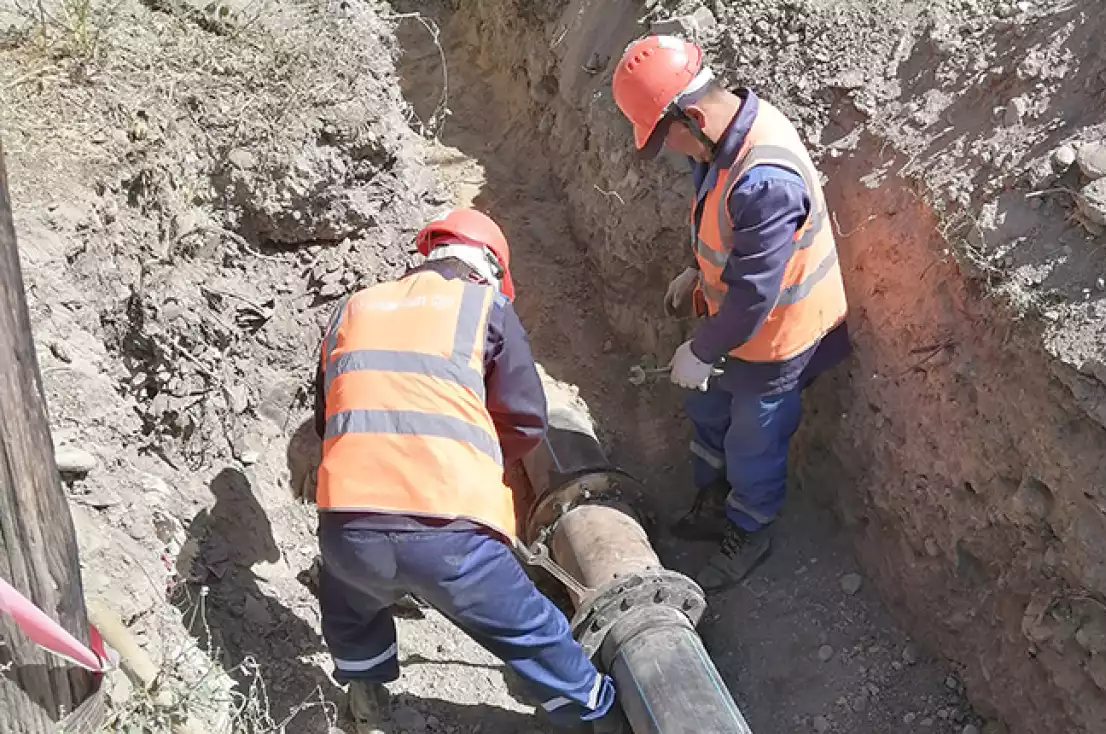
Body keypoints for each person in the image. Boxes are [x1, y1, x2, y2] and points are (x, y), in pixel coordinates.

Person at [312, 208, 623, 733]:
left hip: (347, 525)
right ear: (492, 270)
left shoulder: (352, 308)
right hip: (448, 533)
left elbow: (330, 416)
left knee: (352, 604)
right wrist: (471, 457)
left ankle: (366, 700)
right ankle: (600, 716)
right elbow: (525, 420)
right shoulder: (486, 308)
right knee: (531, 631)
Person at [611, 36, 851, 591]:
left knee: (754, 438)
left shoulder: (765, 180)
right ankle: (713, 498)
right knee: (711, 412)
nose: (668, 149)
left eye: (663, 137)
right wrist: (696, 272)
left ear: (691, 115)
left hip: (777, 335)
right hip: (738, 325)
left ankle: (750, 526)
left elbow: (754, 296)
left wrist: (700, 349)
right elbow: (727, 232)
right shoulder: (723, 138)